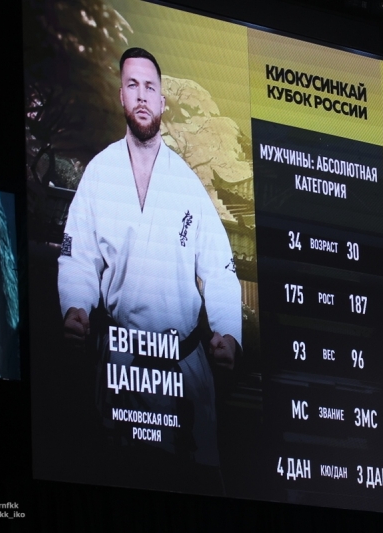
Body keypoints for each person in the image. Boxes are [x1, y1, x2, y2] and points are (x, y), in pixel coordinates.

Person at [58, 47, 242, 485]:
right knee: (119, 477)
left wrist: (229, 332)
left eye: (150, 87)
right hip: (121, 359)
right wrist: (75, 307)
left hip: (183, 362)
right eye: (133, 86)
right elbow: (78, 256)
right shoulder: (100, 174)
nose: (142, 96)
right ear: (121, 96)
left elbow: (219, 267)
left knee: (193, 485)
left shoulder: (187, 184)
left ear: (162, 101)